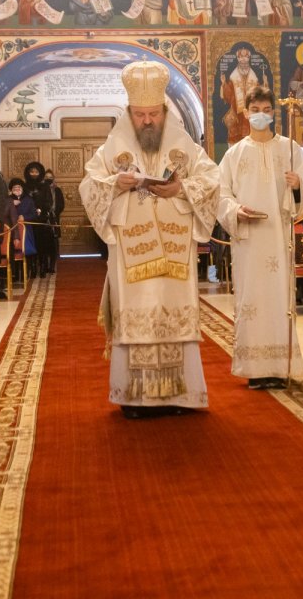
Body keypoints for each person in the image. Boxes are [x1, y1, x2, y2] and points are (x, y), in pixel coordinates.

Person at [80, 61, 220, 417]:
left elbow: (212, 180)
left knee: (174, 317)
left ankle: (180, 396)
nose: (147, 121)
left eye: (153, 114)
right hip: (132, 252)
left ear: (164, 111)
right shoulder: (114, 147)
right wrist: (116, 184)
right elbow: (89, 185)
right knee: (137, 317)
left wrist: (182, 187)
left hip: (175, 251)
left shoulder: (183, 144)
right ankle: (135, 399)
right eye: (140, 114)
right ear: (129, 113)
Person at [217, 86, 303, 389]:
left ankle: (282, 366)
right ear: (246, 112)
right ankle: (256, 369)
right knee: (252, 299)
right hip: (249, 240)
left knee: (280, 299)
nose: (261, 115)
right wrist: (235, 210)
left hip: (278, 237)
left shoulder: (290, 149)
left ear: (274, 112)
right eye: (255, 110)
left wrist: (297, 187)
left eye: (266, 110)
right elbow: (221, 194)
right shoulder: (234, 153)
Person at [23, 161, 64, 277]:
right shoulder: (25, 186)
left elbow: (49, 201)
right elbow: (24, 200)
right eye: (32, 172)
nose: (34, 174)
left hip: (42, 220)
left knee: (43, 245)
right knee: (31, 244)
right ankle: (33, 269)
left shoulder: (45, 186)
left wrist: (41, 209)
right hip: (29, 220)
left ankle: (43, 268)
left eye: (36, 172)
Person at [2, 178, 38, 269]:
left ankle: (28, 270)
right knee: (12, 251)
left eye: (19, 187)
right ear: (11, 189)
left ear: (22, 188)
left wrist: (24, 217)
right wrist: (11, 203)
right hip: (12, 230)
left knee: (26, 251)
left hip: (26, 230)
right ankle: (14, 273)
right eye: (15, 187)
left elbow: (34, 214)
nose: (17, 189)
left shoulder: (28, 199)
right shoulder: (7, 200)